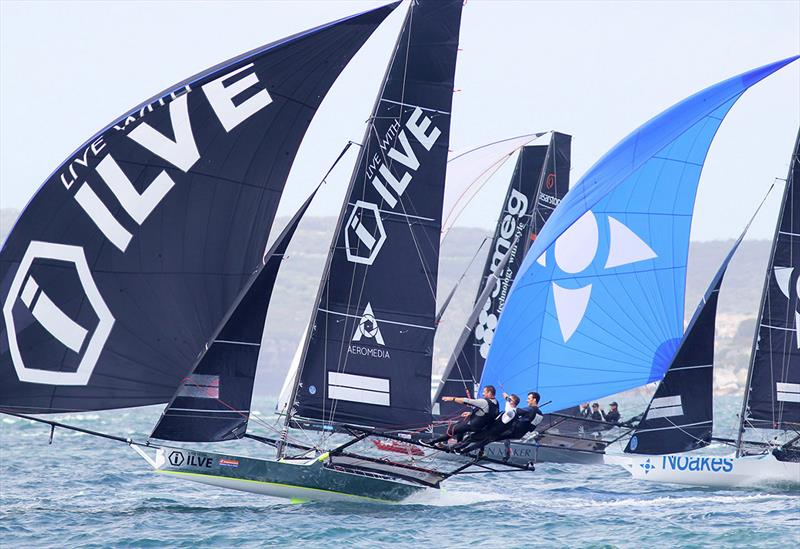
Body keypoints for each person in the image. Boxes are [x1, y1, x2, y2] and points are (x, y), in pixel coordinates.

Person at [428, 386, 499, 445]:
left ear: (489, 392)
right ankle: (458, 446)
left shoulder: (484, 402)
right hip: (481, 427)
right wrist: (470, 413)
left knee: (453, 429)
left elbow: (467, 401)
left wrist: (452, 399)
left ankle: (432, 442)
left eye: (484, 392)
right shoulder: (496, 403)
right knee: (460, 428)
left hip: (473, 425)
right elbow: (487, 413)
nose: (483, 394)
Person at [454, 393, 520, 454]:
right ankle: (465, 451)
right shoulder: (509, 408)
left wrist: (507, 399)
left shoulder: (511, 412)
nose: (507, 401)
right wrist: (507, 398)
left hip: (492, 431)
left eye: (509, 399)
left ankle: (456, 448)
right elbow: (507, 405)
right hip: (494, 431)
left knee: (472, 438)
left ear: (512, 402)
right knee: (480, 442)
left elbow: (510, 411)